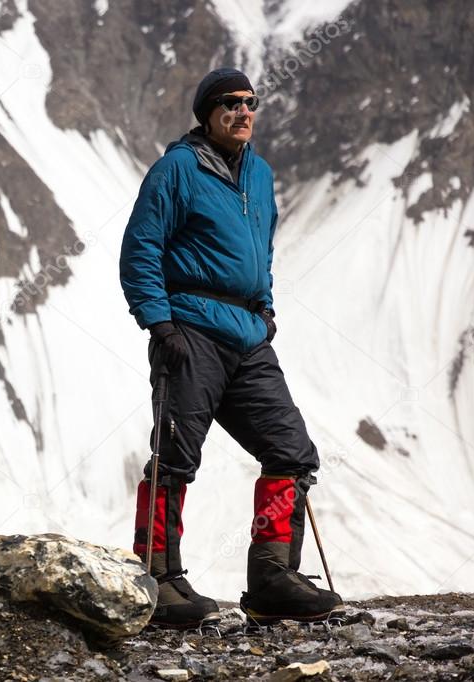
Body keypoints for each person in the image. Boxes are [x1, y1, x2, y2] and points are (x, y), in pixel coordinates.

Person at [119, 67, 343, 629]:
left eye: (250, 102)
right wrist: (160, 324)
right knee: (174, 458)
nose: (243, 112)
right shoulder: (177, 169)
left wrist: (265, 310)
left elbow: (261, 249)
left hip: (247, 337)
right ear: (207, 114)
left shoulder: (260, 174)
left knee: (291, 451)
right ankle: (160, 581)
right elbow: (140, 249)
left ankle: (272, 582)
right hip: (190, 331)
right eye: (229, 104)